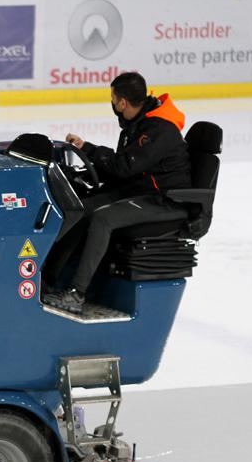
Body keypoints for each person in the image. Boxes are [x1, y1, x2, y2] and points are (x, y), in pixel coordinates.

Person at [44, 72, 191, 314]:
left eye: (113, 98)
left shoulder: (158, 130)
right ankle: (50, 278)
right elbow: (124, 168)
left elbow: (124, 167)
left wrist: (90, 150)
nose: (112, 103)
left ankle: (76, 293)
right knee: (81, 208)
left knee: (103, 218)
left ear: (122, 102)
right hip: (140, 190)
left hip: (165, 199)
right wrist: (86, 156)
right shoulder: (138, 124)